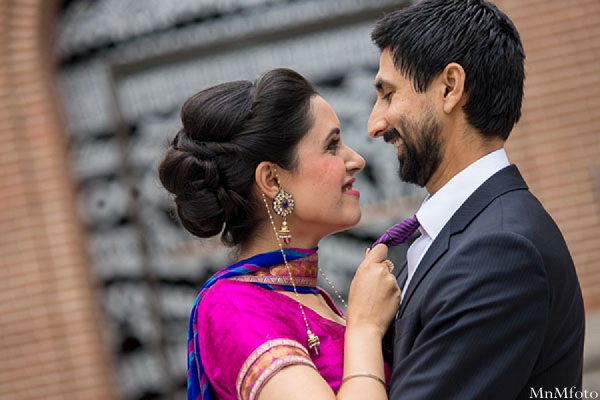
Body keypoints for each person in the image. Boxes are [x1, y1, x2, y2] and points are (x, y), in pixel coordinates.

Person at [362, 0, 586, 398]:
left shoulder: (500, 251)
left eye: (388, 94)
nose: (374, 124)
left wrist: (362, 329)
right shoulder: (471, 233)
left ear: (450, 87)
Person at [158, 68, 400, 400]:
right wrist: (367, 328)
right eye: (332, 146)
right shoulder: (233, 307)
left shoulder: (312, 295)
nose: (356, 160)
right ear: (272, 181)